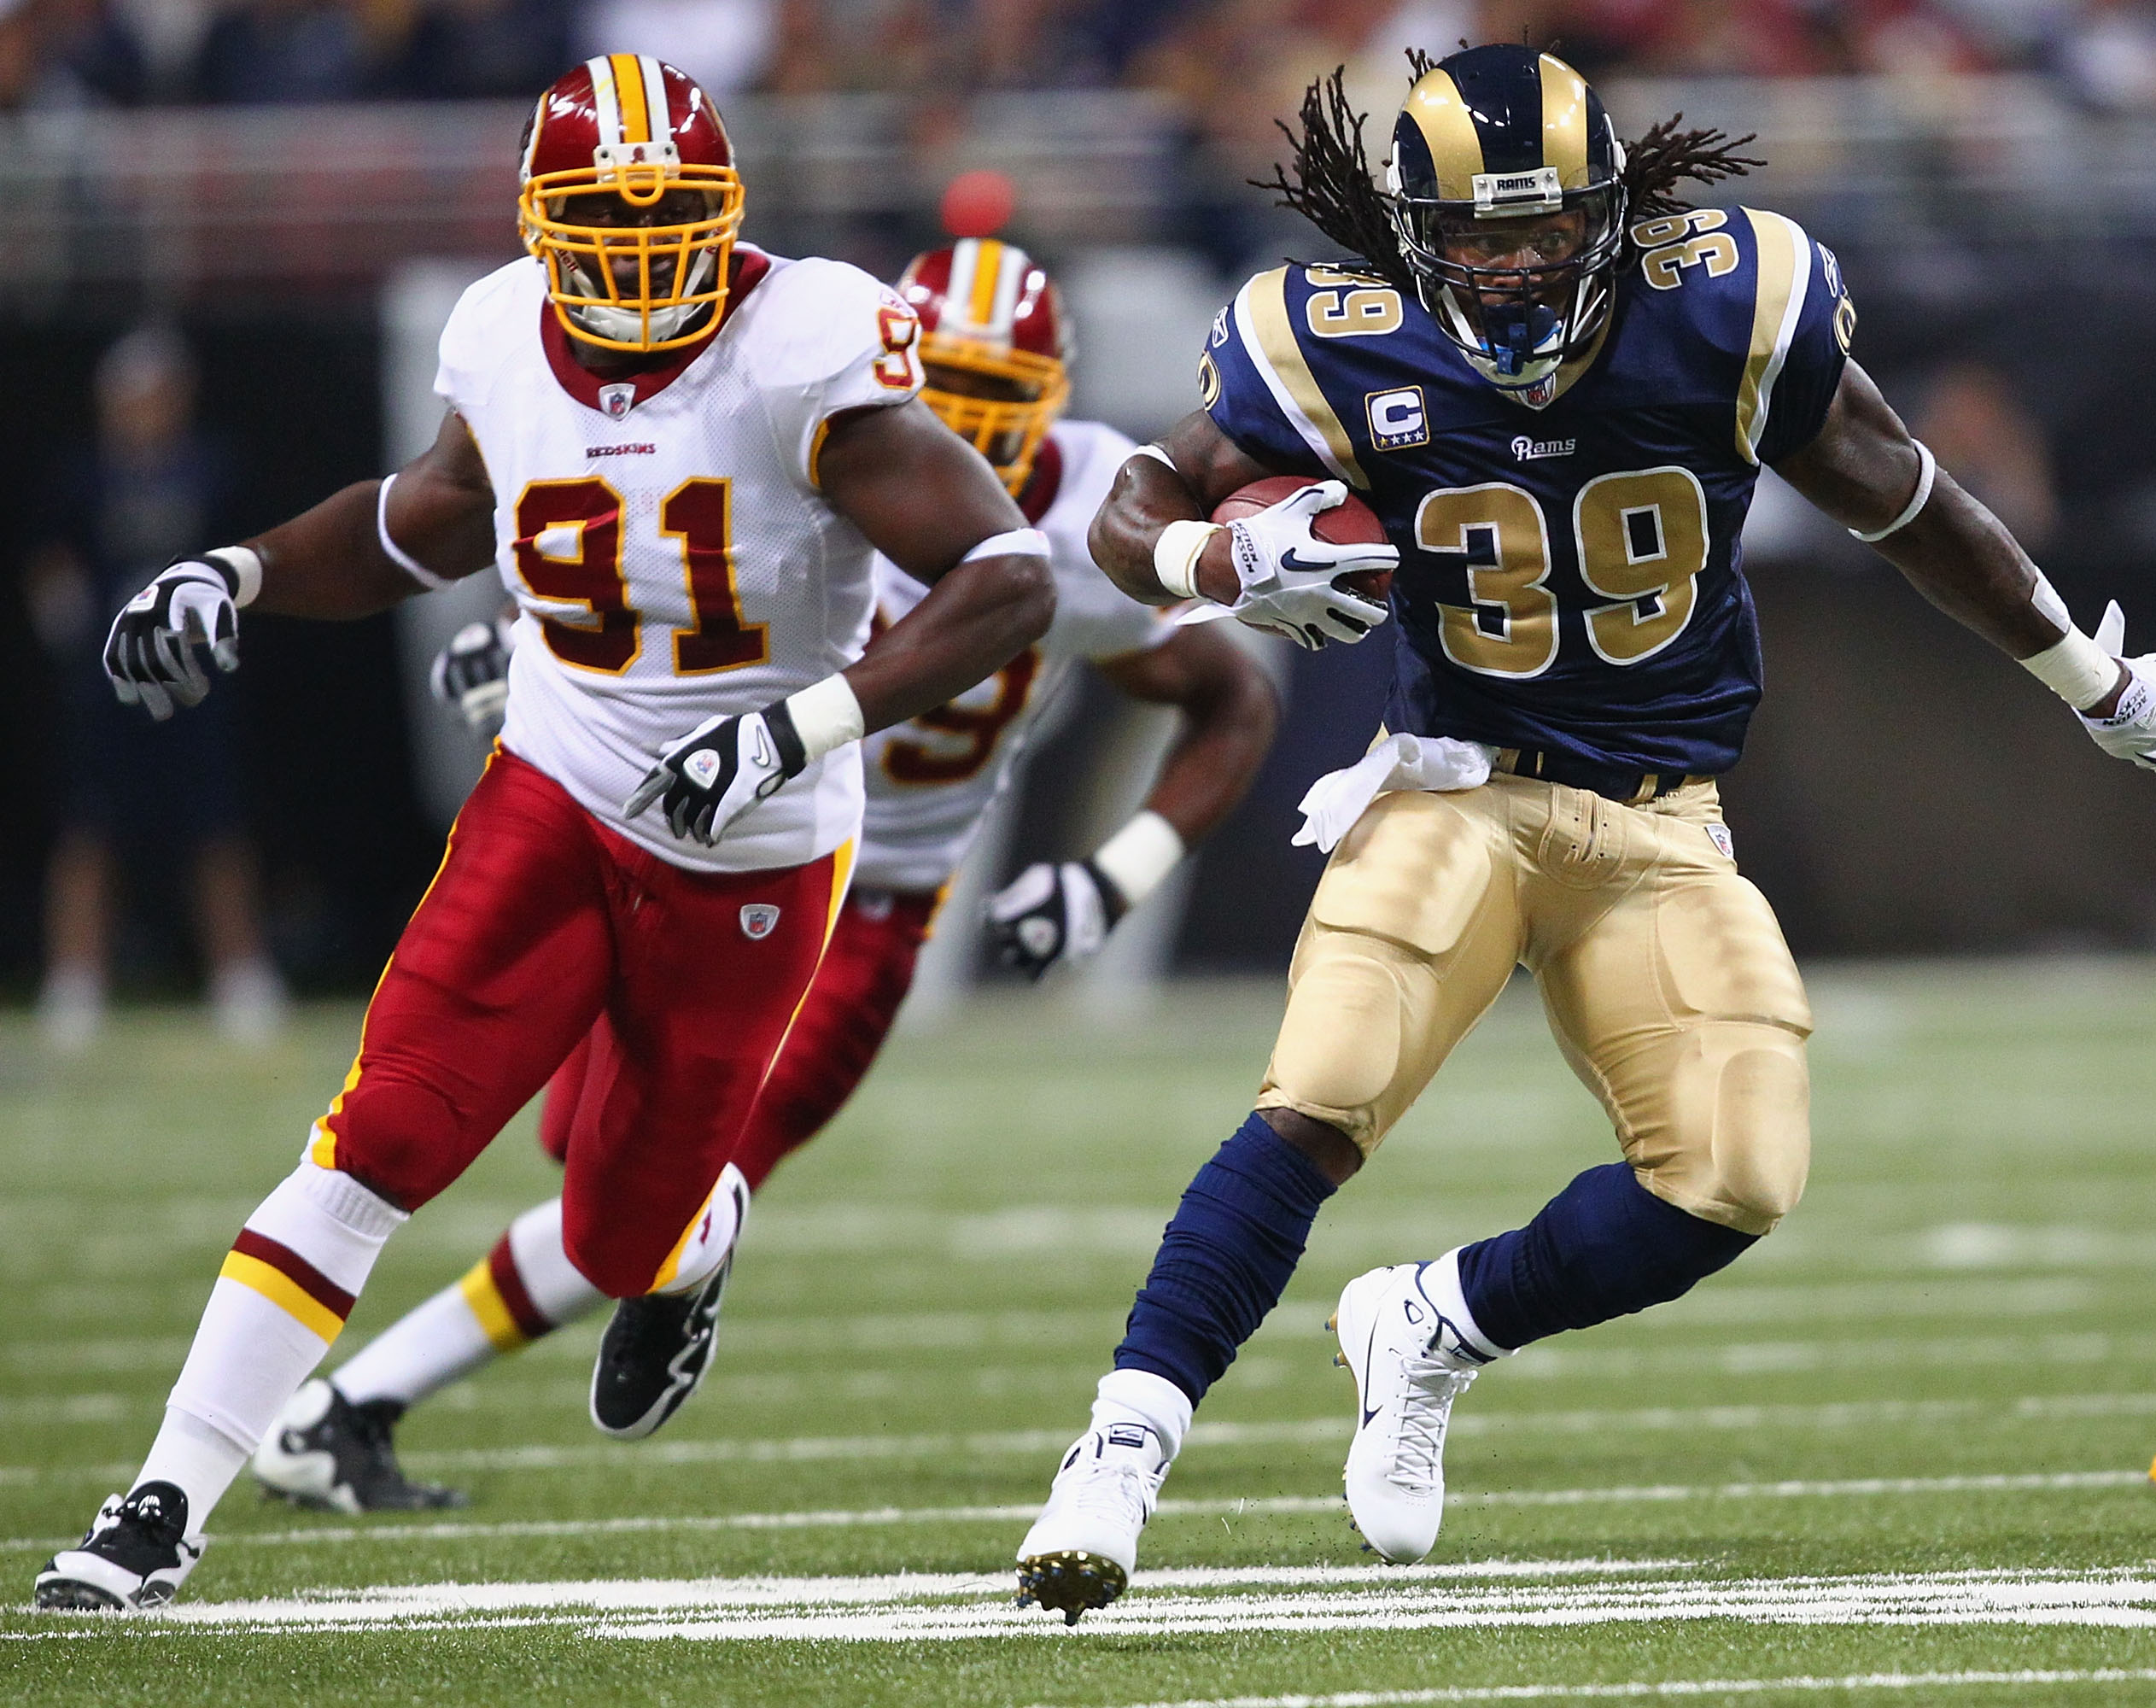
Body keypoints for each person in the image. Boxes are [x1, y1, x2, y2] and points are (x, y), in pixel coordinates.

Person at [1010, 44, 2156, 1623]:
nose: (1512, 271)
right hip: (1455, 780)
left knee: (1734, 1173)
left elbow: (1912, 504)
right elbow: (1139, 500)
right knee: (1323, 1091)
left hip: (1664, 816)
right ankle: (1115, 1459)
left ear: (1614, 213)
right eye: (1478, 239)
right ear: (1413, 235)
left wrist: (2090, 676)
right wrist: (1208, 573)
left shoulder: (1728, 307)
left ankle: (1433, 1325)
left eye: (1544, 232)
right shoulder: (1326, 335)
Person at [34, 54, 1054, 1611]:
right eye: (604, 218)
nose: (641, 254)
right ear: (536, 220)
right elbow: (423, 516)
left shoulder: (806, 346)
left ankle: (694, 1243)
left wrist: (801, 722)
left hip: (757, 850)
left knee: (622, 1225)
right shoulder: (500, 330)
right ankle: (163, 1503)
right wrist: (235, 572)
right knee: (380, 1137)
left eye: (672, 219)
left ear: (727, 216)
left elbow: (1009, 578)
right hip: (560, 791)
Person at [245, 240, 1279, 1512]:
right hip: (670, 850)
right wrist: (518, 644)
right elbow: (632, 548)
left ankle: (353, 1404)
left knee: (666, 1190)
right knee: (585, 1157)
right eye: (941, 393)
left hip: (858, 903)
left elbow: (1229, 696)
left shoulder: (1072, 528)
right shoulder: (808, 445)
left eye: (999, 404)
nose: (961, 431)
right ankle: (354, 1405)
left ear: (1049, 407)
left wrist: (1112, 877)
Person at [27, 323, 286, 1050]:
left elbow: (251, 562)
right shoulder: (83, 476)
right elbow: (50, 559)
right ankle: (75, 979)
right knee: (91, 830)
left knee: (217, 827)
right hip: (107, 684)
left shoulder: (213, 469)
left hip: (199, 681)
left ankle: (241, 973)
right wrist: (71, 622)